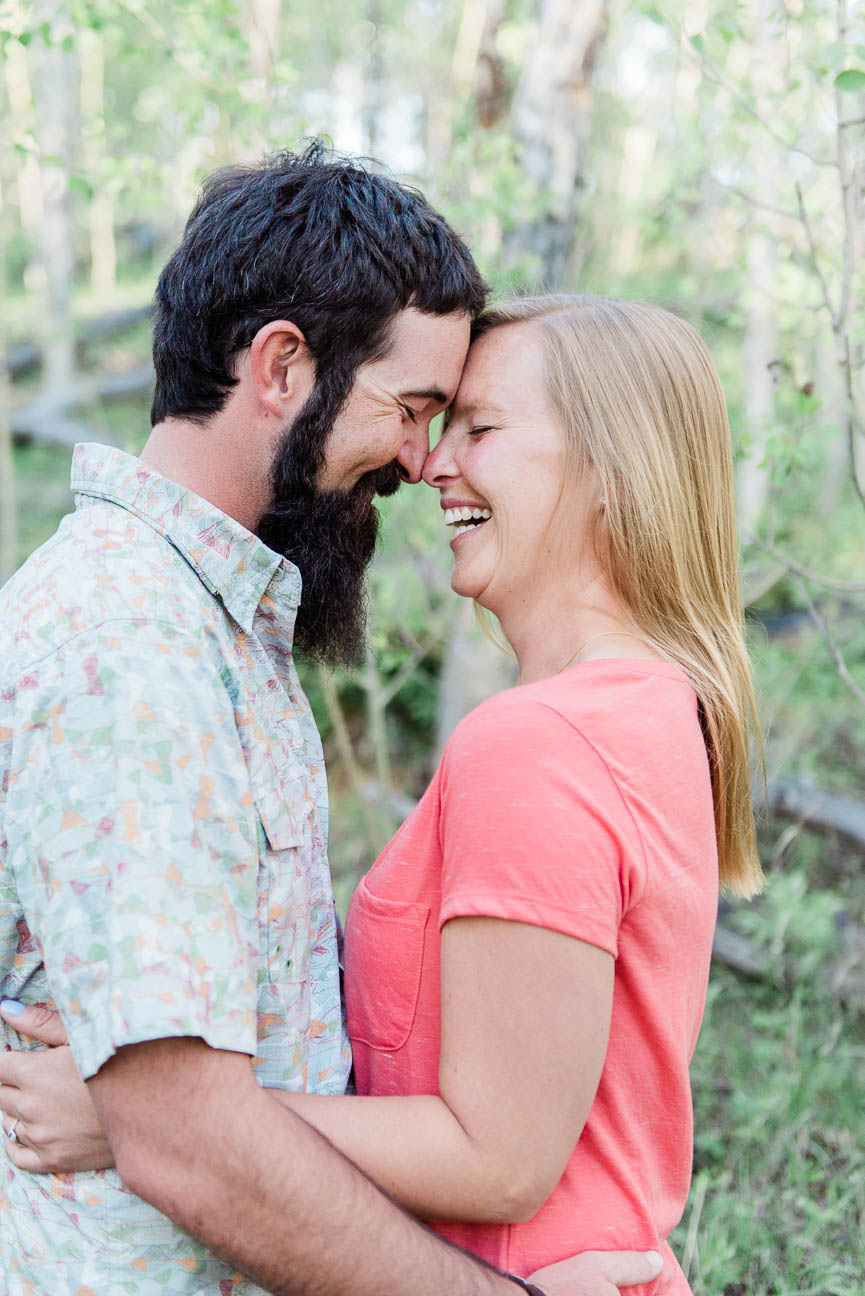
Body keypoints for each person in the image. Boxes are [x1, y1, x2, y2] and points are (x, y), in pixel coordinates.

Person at [1, 292, 763, 1292]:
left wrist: (143, 1118)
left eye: (479, 430)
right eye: (435, 425)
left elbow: (497, 1157)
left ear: (614, 470)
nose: (432, 465)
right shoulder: (657, 708)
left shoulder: (538, 740)